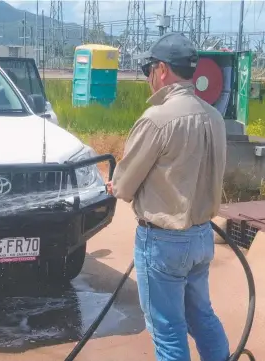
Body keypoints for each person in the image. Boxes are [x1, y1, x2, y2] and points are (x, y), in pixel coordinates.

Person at [106, 32, 230, 361]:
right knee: (202, 318)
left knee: (168, 331)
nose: (149, 79)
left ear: (162, 70)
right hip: (201, 237)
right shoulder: (215, 118)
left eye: (149, 70)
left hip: (164, 243)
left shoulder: (157, 120)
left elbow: (123, 186)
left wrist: (116, 184)